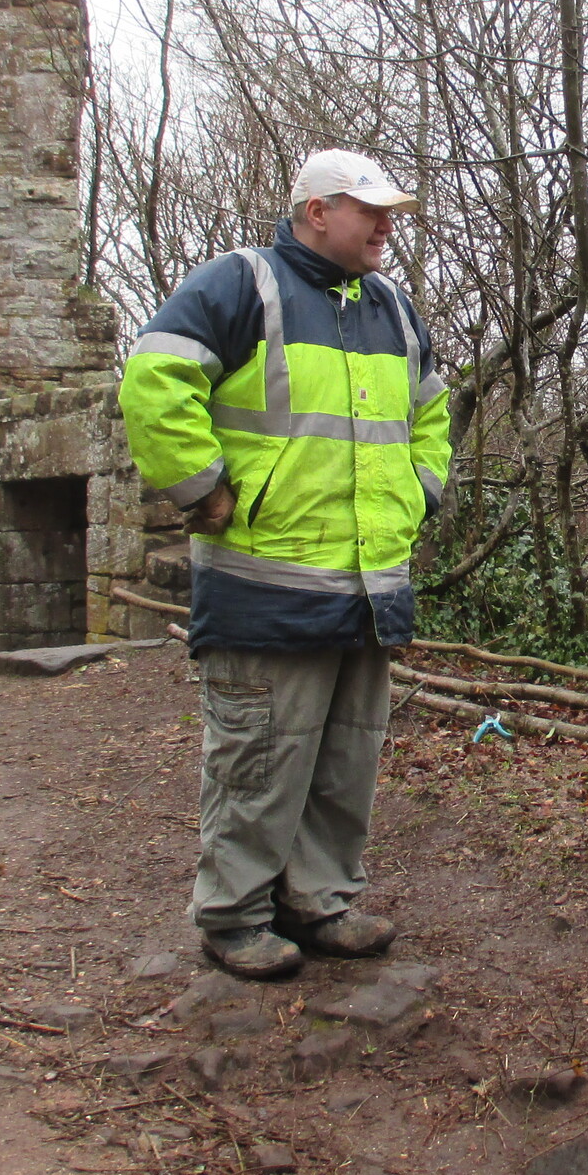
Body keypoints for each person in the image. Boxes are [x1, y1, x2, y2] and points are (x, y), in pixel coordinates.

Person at [118, 150, 451, 979]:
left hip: (367, 589)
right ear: (316, 212)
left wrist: (419, 493)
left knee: (345, 759)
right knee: (259, 758)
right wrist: (203, 487)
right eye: (369, 211)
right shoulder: (241, 284)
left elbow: (432, 414)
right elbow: (154, 379)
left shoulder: (392, 309)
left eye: (390, 213)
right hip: (263, 586)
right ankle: (234, 917)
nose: (386, 226)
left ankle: (319, 903)